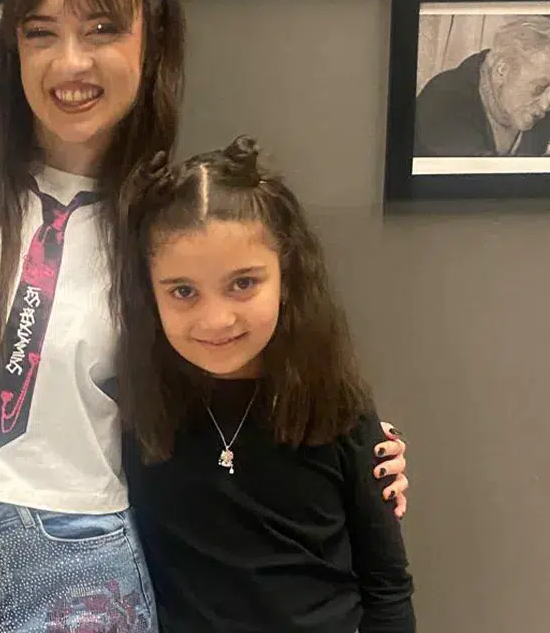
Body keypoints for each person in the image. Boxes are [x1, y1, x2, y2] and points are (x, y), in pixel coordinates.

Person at [0, 0, 410, 631]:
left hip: (78, 564)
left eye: (103, 29)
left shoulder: (166, 228)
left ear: (152, 42)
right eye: (41, 32)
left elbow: (239, 357)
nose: (69, 62)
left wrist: (358, 452)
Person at [117, 138, 415, 632]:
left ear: (287, 277)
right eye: (184, 291)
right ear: (151, 295)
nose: (216, 319)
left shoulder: (336, 408)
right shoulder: (135, 409)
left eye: (243, 283)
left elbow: (387, 585)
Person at [415, 15, 550, 158]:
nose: (548, 104)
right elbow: (484, 184)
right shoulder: (443, 102)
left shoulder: (538, 98)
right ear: (502, 70)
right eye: (540, 87)